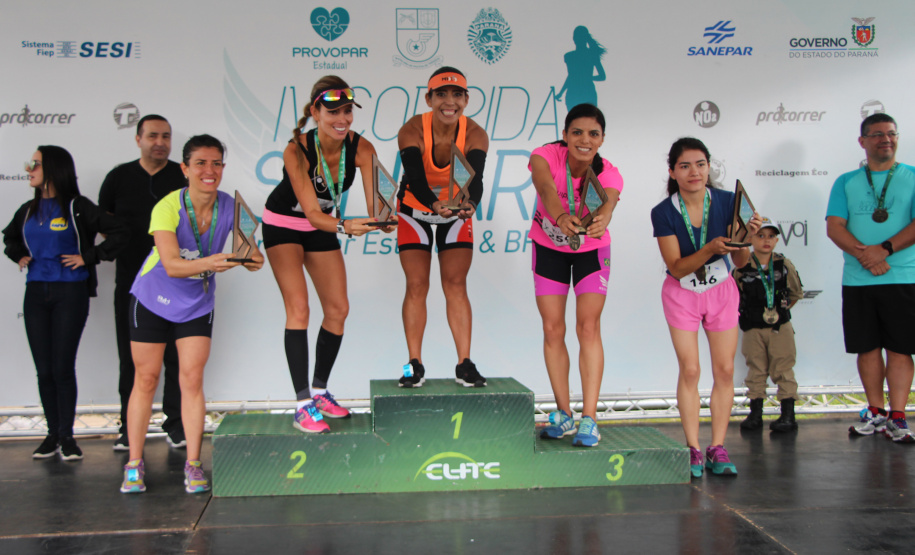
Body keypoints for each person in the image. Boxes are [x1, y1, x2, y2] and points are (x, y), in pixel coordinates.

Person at [120, 135, 264, 494]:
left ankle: (194, 464)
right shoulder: (168, 206)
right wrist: (212, 262)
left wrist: (247, 258)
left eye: (216, 163)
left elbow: (255, 258)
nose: (209, 170)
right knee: (147, 379)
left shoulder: (231, 206)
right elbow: (170, 265)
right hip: (153, 298)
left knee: (191, 379)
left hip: (197, 301)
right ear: (185, 168)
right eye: (200, 163)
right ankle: (134, 463)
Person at [262, 76, 389, 434]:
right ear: (316, 111)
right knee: (299, 308)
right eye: (333, 111)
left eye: (347, 111)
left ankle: (319, 392)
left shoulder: (362, 148)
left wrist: (384, 218)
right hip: (285, 224)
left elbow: (376, 202)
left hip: (325, 226)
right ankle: (302, 404)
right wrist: (346, 226)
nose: (342, 118)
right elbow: (314, 214)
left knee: (338, 309)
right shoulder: (296, 149)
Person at [3, 145, 127, 461]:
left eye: (35, 163)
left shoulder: (77, 207)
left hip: (69, 294)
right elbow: (10, 239)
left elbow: (119, 232)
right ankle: (52, 435)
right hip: (35, 295)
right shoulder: (27, 210)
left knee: (61, 367)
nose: (28, 168)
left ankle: (68, 437)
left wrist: (88, 257)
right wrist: (19, 255)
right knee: (44, 369)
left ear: (54, 168)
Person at [650, 137, 761, 478]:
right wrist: (713, 247)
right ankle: (693, 448)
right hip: (682, 291)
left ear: (709, 167)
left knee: (725, 369)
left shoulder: (729, 202)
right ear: (673, 171)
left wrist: (747, 239)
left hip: (722, 290)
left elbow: (741, 261)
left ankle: (717, 446)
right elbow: (678, 267)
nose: (694, 171)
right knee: (691, 370)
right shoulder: (664, 211)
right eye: (684, 165)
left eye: (700, 164)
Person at [528, 104, 622, 447]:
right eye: (577, 132)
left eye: (593, 134)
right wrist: (560, 217)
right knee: (553, 328)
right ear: (565, 134)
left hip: (591, 253)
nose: (585, 140)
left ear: (602, 140)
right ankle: (564, 414)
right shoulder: (545, 155)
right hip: (549, 247)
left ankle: (589, 419)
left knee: (588, 327)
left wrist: (605, 215)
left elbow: (609, 200)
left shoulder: (609, 172)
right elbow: (545, 189)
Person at [396, 66, 488, 388]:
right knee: (417, 285)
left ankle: (464, 363)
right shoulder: (411, 130)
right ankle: (414, 364)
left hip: (455, 214)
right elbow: (416, 180)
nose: (449, 102)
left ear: (466, 99)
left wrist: (469, 206)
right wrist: (435, 205)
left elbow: (474, 182)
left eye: (457, 94)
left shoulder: (475, 133)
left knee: (456, 284)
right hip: (415, 210)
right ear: (429, 98)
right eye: (441, 94)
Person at [99, 114, 186, 451]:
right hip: (132, 284)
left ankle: (176, 425)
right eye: (152, 136)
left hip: (178, 282)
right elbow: (103, 223)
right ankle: (128, 427)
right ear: (138, 139)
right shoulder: (118, 178)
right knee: (132, 360)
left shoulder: (182, 175)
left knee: (177, 358)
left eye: (166, 136)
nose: (160, 142)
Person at [826, 113, 915, 443]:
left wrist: (885, 250)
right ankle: (876, 412)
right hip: (859, 278)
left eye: (891, 134)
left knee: (901, 349)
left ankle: (899, 416)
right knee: (867, 348)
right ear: (863, 142)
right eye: (877, 134)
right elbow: (834, 226)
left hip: (902, 276)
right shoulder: (846, 181)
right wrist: (867, 255)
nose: (886, 139)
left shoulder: (912, 176)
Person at [733, 217, 804, 432]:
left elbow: (795, 293)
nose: (766, 240)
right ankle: (755, 415)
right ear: (750, 238)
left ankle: (788, 415)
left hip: (779, 328)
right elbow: (734, 296)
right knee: (755, 369)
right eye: (760, 235)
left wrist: (778, 311)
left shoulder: (784, 265)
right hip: (752, 327)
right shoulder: (742, 267)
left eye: (771, 236)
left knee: (783, 368)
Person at [555, 26, 606, 112]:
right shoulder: (569, 56)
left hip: (586, 93)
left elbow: (602, 76)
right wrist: (561, 93)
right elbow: (571, 76)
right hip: (575, 93)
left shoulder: (591, 55)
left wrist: (588, 78)